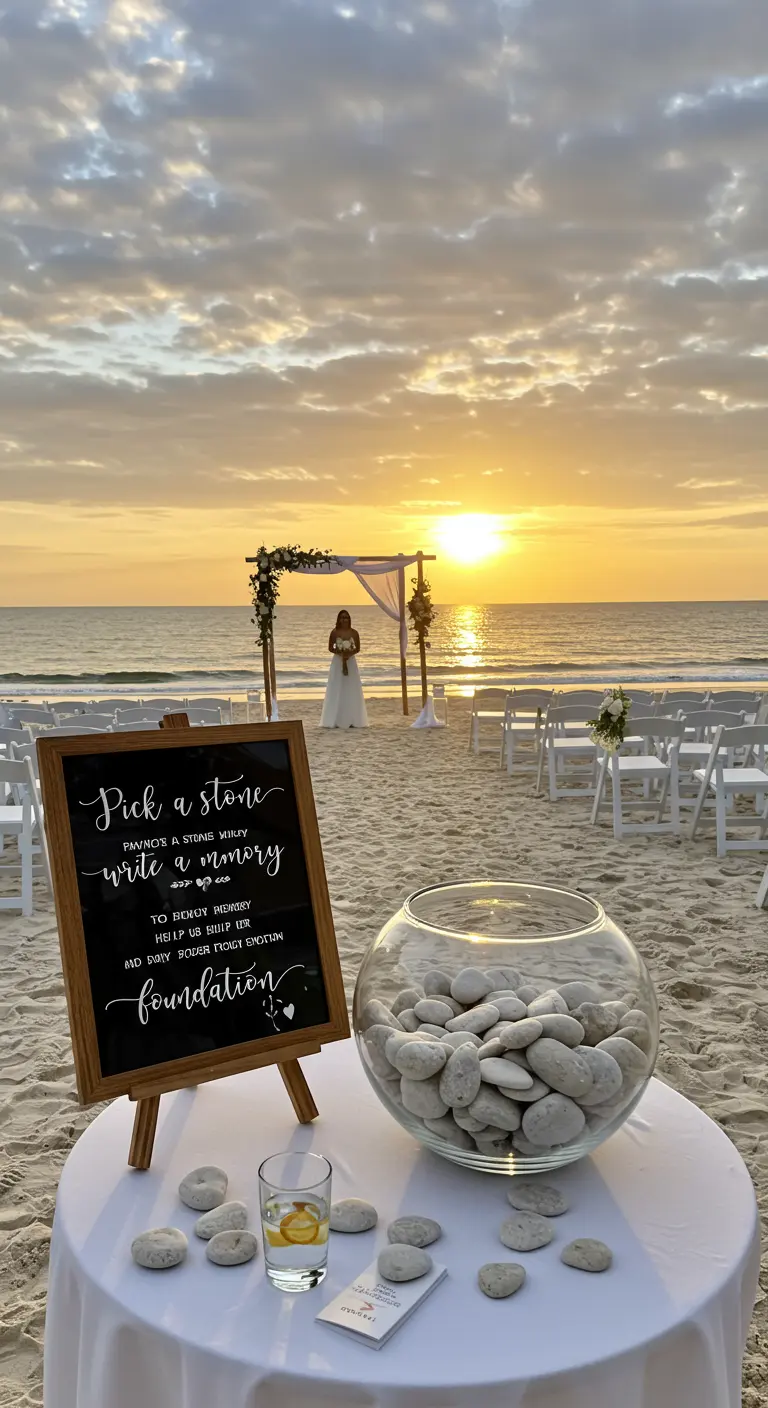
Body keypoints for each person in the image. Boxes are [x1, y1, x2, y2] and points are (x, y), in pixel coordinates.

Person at [320, 610, 369, 728]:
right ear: (338, 619)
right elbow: (330, 647)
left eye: (346, 617)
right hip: (337, 661)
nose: (344, 620)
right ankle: (335, 718)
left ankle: (353, 718)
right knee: (337, 686)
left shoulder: (354, 633)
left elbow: (358, 648)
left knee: (351, 686)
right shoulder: (334, 632)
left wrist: (348, 654)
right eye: (342, 618)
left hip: (351, 661)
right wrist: (340, 653)